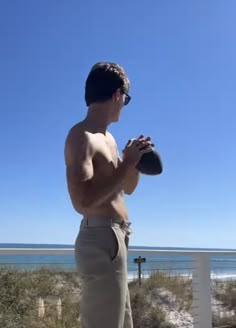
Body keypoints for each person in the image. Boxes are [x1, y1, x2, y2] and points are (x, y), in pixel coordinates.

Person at [64, 62, 154, 328]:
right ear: (117, 95)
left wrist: (133, 163)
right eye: (125, 98)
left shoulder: (110, 139)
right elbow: (82, 202)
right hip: (100, 239)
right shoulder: (82, 136)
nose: (124, 105)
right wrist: (125, 165)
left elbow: (127, 188)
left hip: (117, 237)